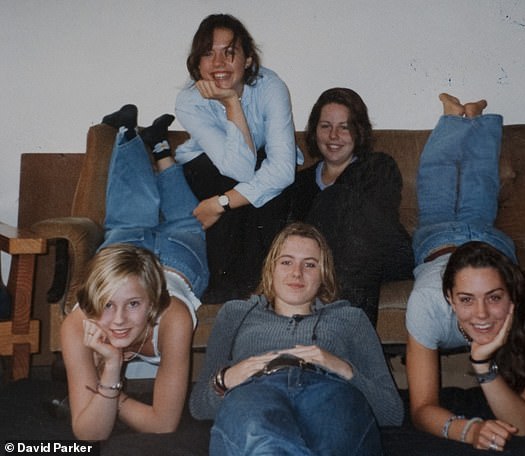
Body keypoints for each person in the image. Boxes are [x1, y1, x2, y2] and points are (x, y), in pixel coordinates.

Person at [405, 94, 525, 451]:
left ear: (513, 293)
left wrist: (483, 367)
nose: (483, 314)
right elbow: (421, 409)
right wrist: (467, 430)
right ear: (448, 298)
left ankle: (465, 119)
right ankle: (464, 119)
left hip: (468, 241)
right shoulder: (426, 302)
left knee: (451, 187)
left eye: (495, 297)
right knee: (470, 190)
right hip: (455, 241)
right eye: (467, 299)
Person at [189, 222, 403, 455]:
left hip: (330, 390)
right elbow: (199, 406)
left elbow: (391, 413)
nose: (296, 273)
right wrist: (227, 379)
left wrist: (344, 369)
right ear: (270, 268)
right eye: (286, 262)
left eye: (309, 264)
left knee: (333, 442)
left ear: (324, 274)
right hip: (256, 390)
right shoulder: (235, 313)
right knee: (261, 439)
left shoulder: (350, 318)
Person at [60, 105, 209, 440]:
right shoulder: (77, 324)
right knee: (184, 220)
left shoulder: (174, 318)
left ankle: (127, 135)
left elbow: (163, 423)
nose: (118, 320)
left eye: (133, 305)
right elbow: (87, 434)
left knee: (128, 218)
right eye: (108, 305)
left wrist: (107, 394)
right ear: (94, 298)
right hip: (168, 256)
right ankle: (157, 146)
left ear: (153, 303)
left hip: (158, 262)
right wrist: (112, 366)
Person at [175, 14, 301, 301]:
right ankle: (228, 291)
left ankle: (260, 291)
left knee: (273, 187)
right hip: (217, 171)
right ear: (197, 64)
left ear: (247, 60)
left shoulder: (271, 87)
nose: (219, 63)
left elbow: (282, 169)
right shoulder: (189, 101)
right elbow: (238, 170)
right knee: (211, 171)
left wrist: (220, 204)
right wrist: (232, 102)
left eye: (229, 52)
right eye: (208, 54)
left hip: (262, 178)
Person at [286, 87, 414, 325]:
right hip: (329, 267)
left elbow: (376, 224)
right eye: (325, 126)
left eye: (344, 127)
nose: (334, 136)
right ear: (314, 131)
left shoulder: (378, 167)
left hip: (385, 255)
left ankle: (349, 336)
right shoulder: (299, 183)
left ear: (359, 132)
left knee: (334, 199)